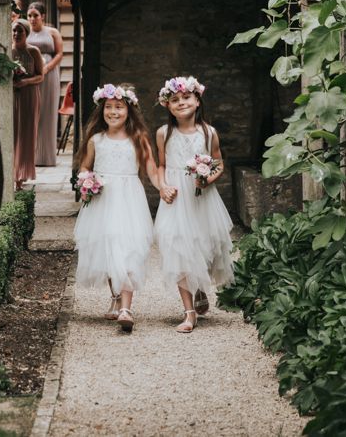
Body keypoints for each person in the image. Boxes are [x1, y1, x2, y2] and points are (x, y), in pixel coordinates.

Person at [73, 83, 160, 333]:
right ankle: (116, 296)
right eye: (108, 107)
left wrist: (163, 188)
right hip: (103, 199)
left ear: (129, 111)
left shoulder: (138, 138)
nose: (113, 112)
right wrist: (86, 181)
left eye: (119, 107)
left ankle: (126, 308)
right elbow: (85, 167)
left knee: (128, 248)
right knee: (111, 248)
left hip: (129, 198)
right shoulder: (95, 140)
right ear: (102, 111)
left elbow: (151, 168)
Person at [154, 76, 234, 333]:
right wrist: (163, 186)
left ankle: (200, 287)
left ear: (197, 100)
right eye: (175, 100)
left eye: (186, 97)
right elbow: (161, 165)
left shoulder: (208, 133)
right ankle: (189, 313)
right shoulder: (163, 133)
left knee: (205, 247)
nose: (181, 103)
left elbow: (219, 162)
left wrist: (209, 178)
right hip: (176, 199)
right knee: (177, 248)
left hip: (202, 199)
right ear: (167, 105)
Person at [26, 1, 63, 166]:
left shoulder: (52, 32)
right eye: (29, 16)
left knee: (47, 112)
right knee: (31, 113)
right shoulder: (24, 32)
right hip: (30, 74)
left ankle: (47, 157)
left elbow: (60, 53)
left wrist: (47, 68)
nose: (32, 19)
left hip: (49, 75)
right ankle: (31, 156)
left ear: (43, 16)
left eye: (35, 15)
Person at [11, 18, 44, 191]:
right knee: (13, 134)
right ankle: (12, 172)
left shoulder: (34, 51)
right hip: (12, 97)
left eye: (20, 31)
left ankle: (21, 175)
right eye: (14, 31)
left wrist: (26, 82)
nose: (16, 34)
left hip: (30, 95)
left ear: (26, 33)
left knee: (26, 134)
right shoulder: (7, 52)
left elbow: (41, 76)